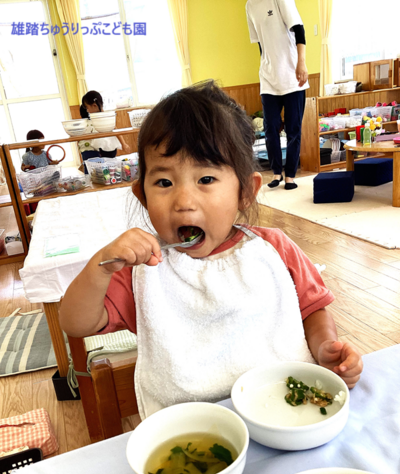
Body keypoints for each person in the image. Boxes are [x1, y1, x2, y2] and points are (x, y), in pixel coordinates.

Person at [60, 81, 363, 420]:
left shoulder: (273, 249)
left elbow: (312, 309)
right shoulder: (144, 271)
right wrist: (100, 269)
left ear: (245, 192)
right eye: (164, 182)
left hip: (287, 409)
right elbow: (76, 323)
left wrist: (325, 349)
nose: (184, 202)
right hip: (191, 425)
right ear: (142, 196)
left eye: (205, 179)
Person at [246, 0, 309, 189]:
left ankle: (290, 175)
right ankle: (276, 173)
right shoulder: (249, 6)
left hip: (292, 76)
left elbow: (300, 30)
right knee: (270, 128)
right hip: (268, 79)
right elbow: (260, 44)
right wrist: (267, 64)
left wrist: (302, 63)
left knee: (293, 130)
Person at [78, 91, 130, 173]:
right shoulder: (92, 118)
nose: (87, 111)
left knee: (109, 167)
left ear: (94, 105)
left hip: (109, 147)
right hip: (100, 148)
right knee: (102, 169)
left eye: (87, 108)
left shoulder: (106, 116)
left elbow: (115, 129)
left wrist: (124, 144)